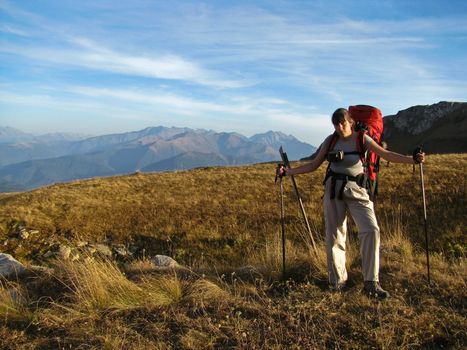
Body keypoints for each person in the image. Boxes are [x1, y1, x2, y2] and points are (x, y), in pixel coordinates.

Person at [277, 108, 425, 299]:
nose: (340, 127)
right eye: (336, 124)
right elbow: (313, 165)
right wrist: (288, 173)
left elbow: (386, 154)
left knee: (371, 229)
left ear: (351, 122)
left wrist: (412, 160)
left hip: (357, 190)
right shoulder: (330, 141)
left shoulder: (362, 139)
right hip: (333, 190)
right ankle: (337, 282)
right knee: (334, 236)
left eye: (343, 123)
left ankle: (371, 282)